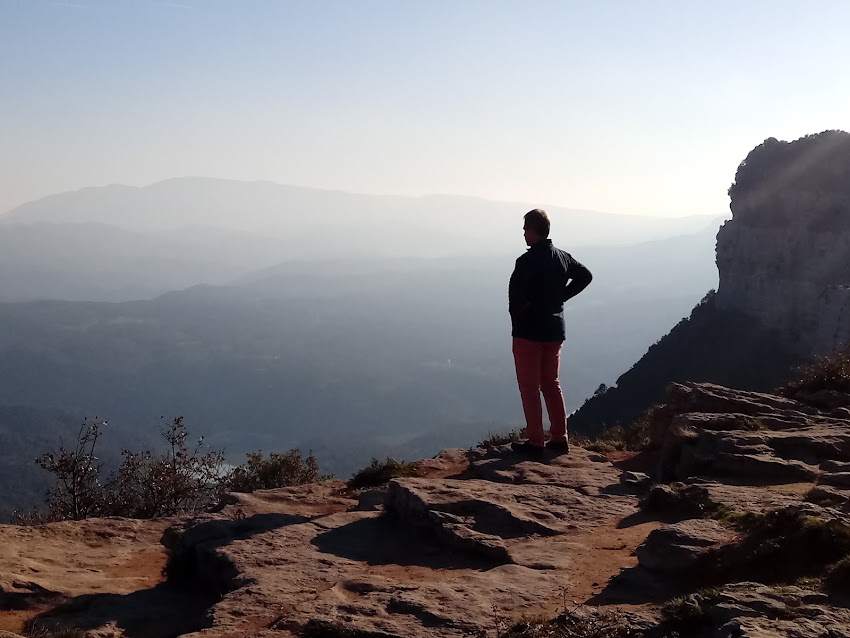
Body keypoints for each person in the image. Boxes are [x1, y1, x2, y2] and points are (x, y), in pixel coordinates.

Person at [508, 209, 592, 458]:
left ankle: (535, 441)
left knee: (529, 388)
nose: (523, 233)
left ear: (534, 230)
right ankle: (559, 438)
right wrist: (561, 297)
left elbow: (514, 300)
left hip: (528, 333)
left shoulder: (526, 262)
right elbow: (585, 276)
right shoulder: (562, 257)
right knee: (551, 383)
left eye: (525, 229)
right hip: (555, 330)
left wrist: (520, 318)